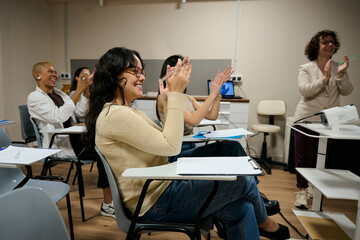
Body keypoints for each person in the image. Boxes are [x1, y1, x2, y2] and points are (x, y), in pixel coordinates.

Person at [85, 47, 289, 239]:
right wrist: (174, 96)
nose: (142, 77)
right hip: (154, 203)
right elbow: (171, 146)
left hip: (161, 186)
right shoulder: (115, 115)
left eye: (141, 71)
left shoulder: (124, 112)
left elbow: (165, 147)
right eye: (134, 71)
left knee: (241, 206)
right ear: (113, 75)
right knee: (241, 180)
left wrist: (175, 96)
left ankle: (257, 208)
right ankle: (266, 223)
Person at [27, 61, 115, 219]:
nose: (55, 74)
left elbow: (80, 110)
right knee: (105, 154)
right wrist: (79, 89)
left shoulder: (59, 94)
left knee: (109, 148)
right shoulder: (34, 98)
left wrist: (86, 90)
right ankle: (108, 204)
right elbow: (59, 116)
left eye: (55, 71)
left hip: (74, 140)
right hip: (59, 145)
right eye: (50, 71)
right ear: (37, 76)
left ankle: (115, 200)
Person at [293, 30, 353, 209]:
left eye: (332, 42)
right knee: (303, 158)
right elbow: (305, 91)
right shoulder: (306, 68)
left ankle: (313, 186)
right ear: (316, 46)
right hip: (306, 118)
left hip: (329, 121)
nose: (330, 45)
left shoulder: (338, 67)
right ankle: (301, 192)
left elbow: (347, 91)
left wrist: (340, 76)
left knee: (320, 157)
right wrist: (325, 79)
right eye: (325, 42)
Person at [156, 54, 234, 160]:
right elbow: (194, 121)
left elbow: (212, 116)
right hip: (178, 153)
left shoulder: (188, 98)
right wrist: (212, 94)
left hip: (191, 145)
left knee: (232, 147)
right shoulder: (164, 98)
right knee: (232, 147)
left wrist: (216, 93)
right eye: (181, 71)